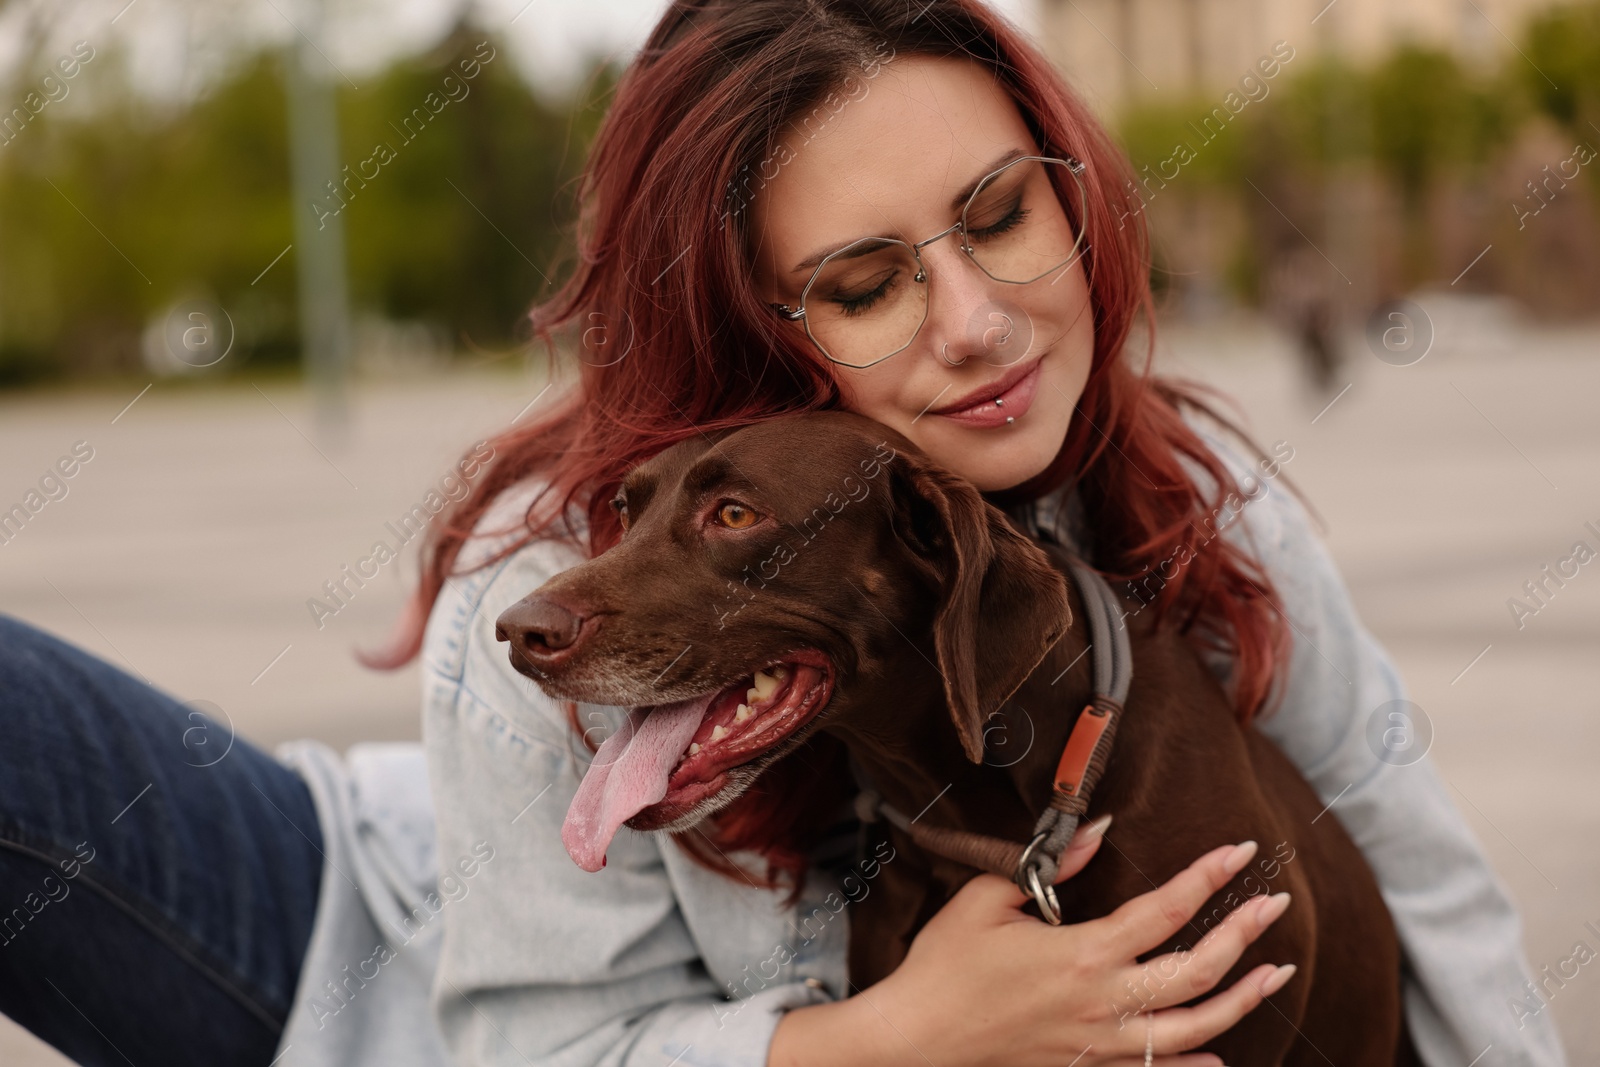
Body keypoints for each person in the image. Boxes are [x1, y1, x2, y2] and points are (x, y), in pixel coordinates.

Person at [0, 2, 1569, 1066]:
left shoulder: (1200, 513)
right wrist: (893, 1041)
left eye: (1002, 211)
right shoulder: (562, 588)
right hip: (374, 945)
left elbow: (1442, 914)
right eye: (868, 283)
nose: (977, 324)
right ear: (754, 332)